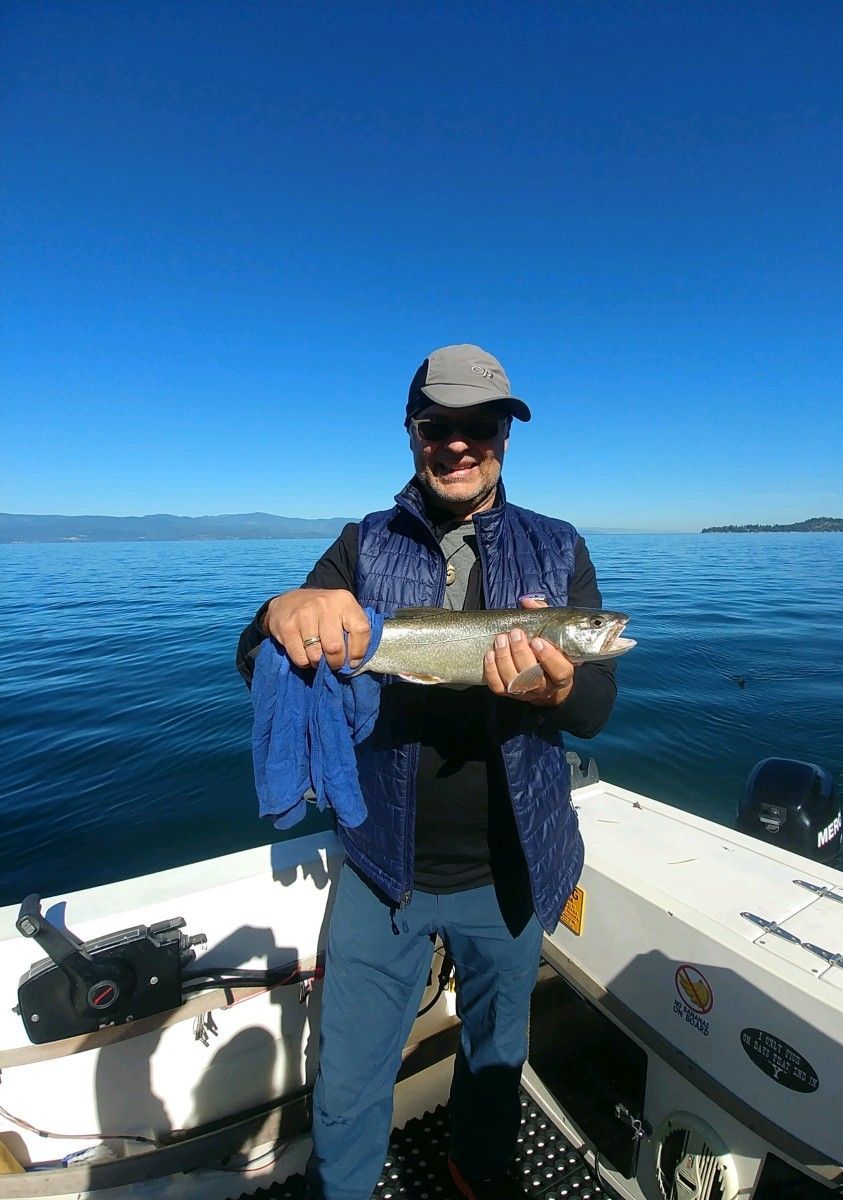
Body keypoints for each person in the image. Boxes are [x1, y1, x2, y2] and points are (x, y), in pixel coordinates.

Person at [236, 344, 618, 1200]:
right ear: (412, 432)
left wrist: (557, 690)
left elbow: (595, 706)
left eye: (477, 426)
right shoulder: (361, 543)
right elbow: (259, 654)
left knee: (496, 1063)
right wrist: (277, 611)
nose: (458, 444)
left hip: (513, 869)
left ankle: (476, 1176)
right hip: (380, 869)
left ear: (504, 438)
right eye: (437, 426)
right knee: (347, 1082)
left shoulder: (559, 549)